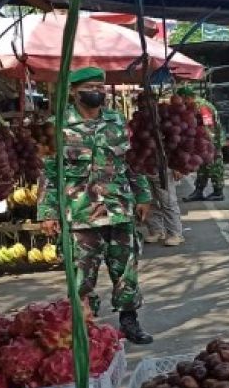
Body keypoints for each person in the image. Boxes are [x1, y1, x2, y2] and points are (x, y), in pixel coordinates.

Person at [38, 66, 153, 344]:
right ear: (74, 92)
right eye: (90, 88)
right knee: (81, 272)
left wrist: (143, 195)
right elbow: (48, 173)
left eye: (100, 88)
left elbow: (131, 163)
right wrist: (48, 212)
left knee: (125, 269)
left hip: (119, 209)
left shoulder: (116, 122)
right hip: (80, 213)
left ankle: (129, 320)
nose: (97, 93)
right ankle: (83, 323)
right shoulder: (57, 127)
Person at [182, 85, 226, 202]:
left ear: (188, 97)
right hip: (203, 141)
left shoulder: (203, 107)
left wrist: (210, 144)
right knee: (202, 166)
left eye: (183, 99)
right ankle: (199, 191)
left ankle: (218, 192)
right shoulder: (195, 105)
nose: (183, 103)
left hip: (212, 141)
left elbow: (209, 126)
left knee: (214, 166)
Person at [143, 160, 185, 247]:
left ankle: (175, 233)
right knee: (148, 200)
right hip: (143, 166)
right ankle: (156, 230)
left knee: (168, 201)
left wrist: (178, 166)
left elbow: (177, 147)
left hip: (163, 165)